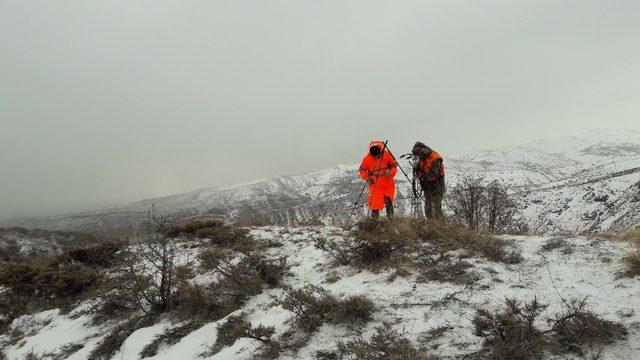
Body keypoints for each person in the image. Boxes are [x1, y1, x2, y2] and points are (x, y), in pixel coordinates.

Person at [359, 140, 397, 219]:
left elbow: (394, 165)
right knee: (375, 204)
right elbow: (362, 169)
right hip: (375, 184)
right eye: (374, 155)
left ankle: (391, 221)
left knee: (388, 202)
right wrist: (367, 178)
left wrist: (391, 172)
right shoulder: (367, 158)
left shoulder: (387, 155)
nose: (375, 156)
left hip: (387, 182)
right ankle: (375, 221)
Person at [412, 141, 445, 220]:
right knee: (428, 206)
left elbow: (434, 175)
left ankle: (440, 226)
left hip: (437, 186)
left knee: (437, 207)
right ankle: (430, 225)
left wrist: (421, 175)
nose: (418, 156)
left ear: (422, 150)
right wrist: (416, 170)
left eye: (419, 153)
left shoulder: (436, 158)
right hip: (427, 186)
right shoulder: (421, 157)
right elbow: (420, 169)